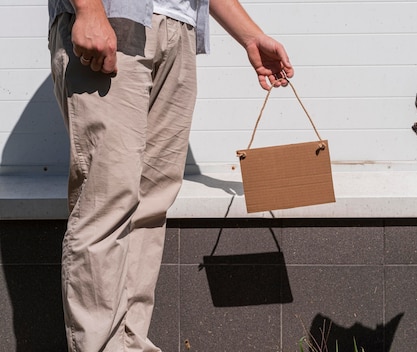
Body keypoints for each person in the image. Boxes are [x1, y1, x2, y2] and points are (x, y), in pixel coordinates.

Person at [47, 0, 294, 350]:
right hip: (113, 20)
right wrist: (88, 9)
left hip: (178, 28)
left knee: (149, 207)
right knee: (106, 205)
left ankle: (130, 345)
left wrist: (250, 36)